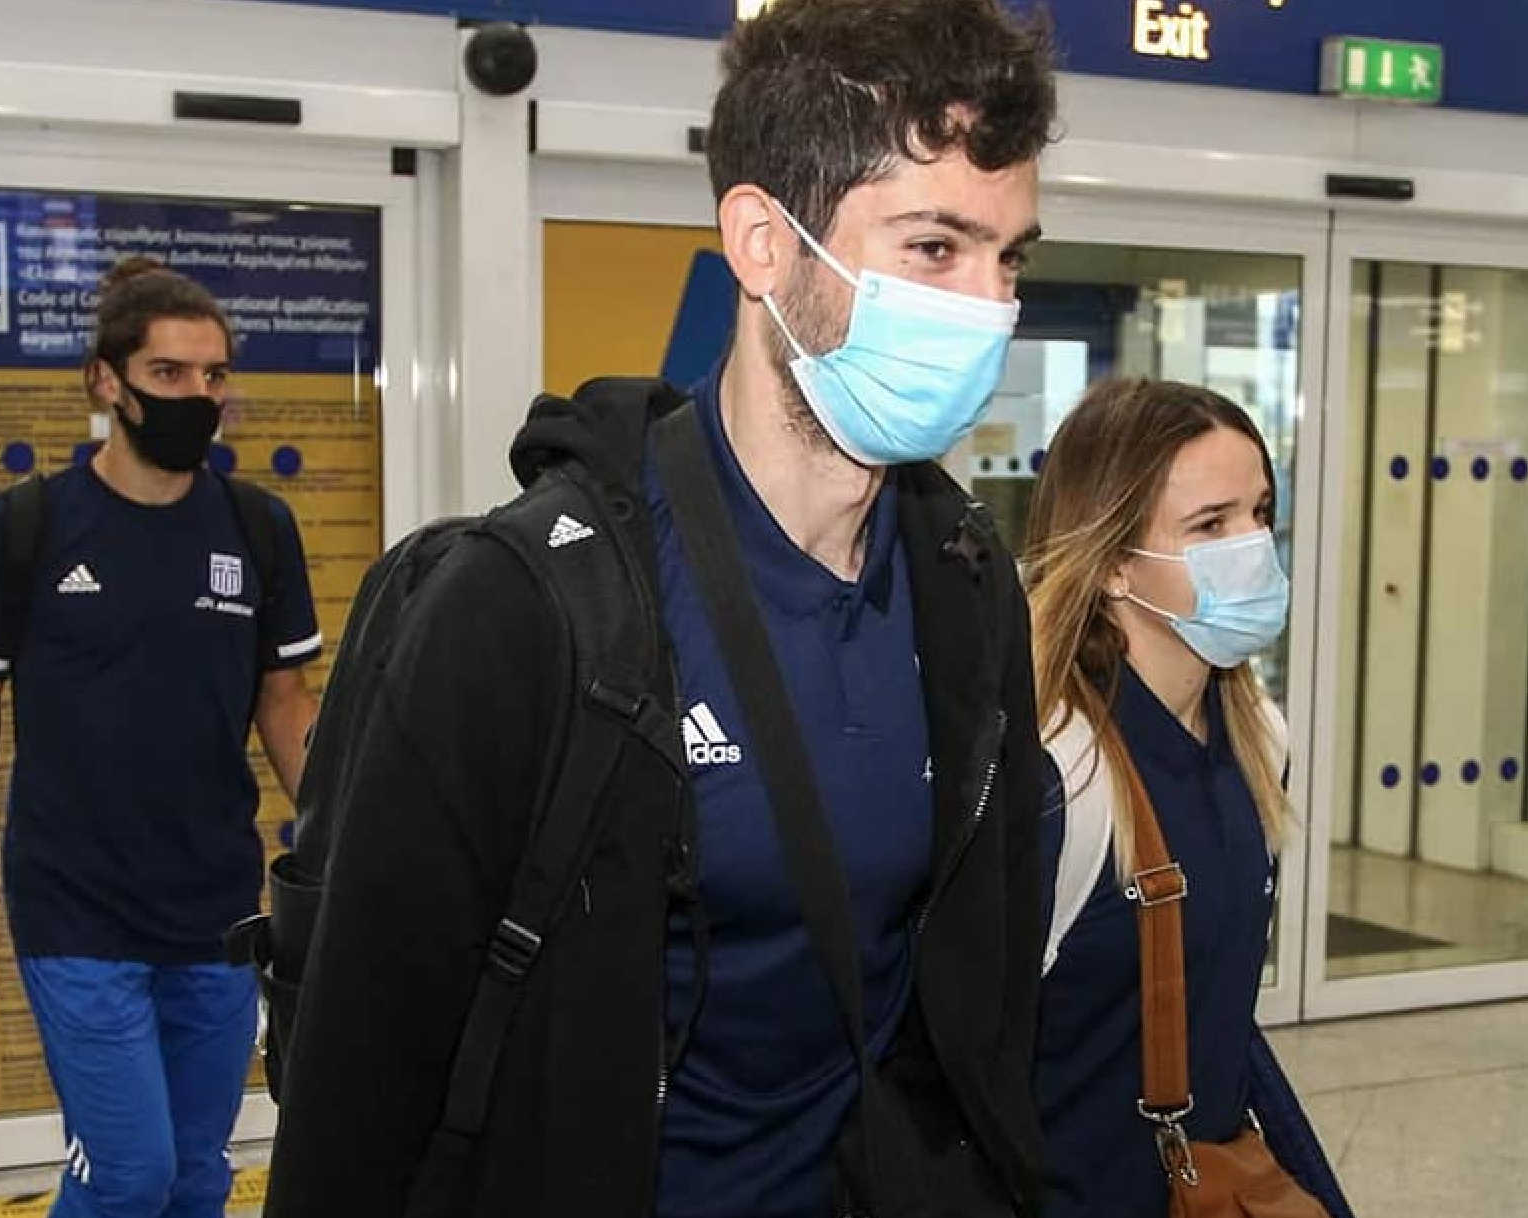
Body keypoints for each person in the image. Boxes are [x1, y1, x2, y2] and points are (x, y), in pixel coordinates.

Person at [264, 2, 1056, 1215]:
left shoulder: (963, 583)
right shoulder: (528, 609)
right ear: (761, 243)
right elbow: (362, 1080)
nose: (986, 306)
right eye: (935, 248)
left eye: (1010, 260)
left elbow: (972, 994)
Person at [0, 256, 321, 1218]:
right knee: (129, 1174)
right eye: (169, 373)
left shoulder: (257, 528)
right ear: (106, 381)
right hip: (76, 907)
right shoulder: (27, 527)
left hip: (216, 906)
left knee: (198, 1171)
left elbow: (285, 703)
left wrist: (349, 837)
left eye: (213, 375)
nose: (197, 396)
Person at [1023, 377, 1353, 1217]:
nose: (1254, 545)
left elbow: (1219, 1019)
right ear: (1113, 565)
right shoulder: (1057, 770)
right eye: (1210, 525)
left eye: (1261, 512)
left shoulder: (1258, 738)